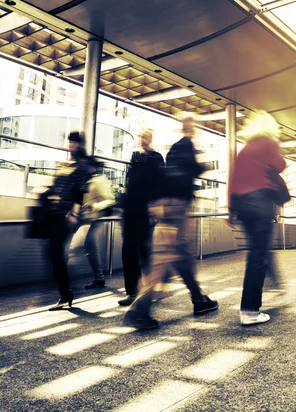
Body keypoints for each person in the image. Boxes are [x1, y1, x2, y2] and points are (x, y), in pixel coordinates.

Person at [124, 116, 218, 330]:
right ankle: (139, 309)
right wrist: (205, 165)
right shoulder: (186, 146)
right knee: (164, 255)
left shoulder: (173, 150)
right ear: (190, 128)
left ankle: (199, 299)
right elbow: (192, 169)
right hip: (177, 206)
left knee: (180, 253)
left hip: (165, 203)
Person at [228, 110, 287, 326]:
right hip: (259, 201)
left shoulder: (245, 149)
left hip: (242, 205)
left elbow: (233, 178)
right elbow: (280, 165)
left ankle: (249, 308)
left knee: (255, 254)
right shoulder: (268, 142)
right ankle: (250, 310)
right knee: (258, 257)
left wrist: (231, 210)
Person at [44, 131, 89, 310]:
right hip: (55, 213)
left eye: (75, 143)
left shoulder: (82, 165)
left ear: (80, 144)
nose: (71, 145)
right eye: (70, 142)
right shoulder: (65, 163)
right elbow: (55, 187)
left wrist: (75, 213)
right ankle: (66, 292)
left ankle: (66, 293)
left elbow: (80, 190)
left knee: (54, 250)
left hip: (67, 214)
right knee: (53, 252)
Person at [119, 129, 164, 306]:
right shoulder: (135, 157)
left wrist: (157, 205)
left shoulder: (156, 158)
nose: (142, 139)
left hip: (147, 208)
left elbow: (160, 183)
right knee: (128, 250)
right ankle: (131, 291)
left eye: (145, 137)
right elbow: (129, 183)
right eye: (140, 137)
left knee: (144, 249)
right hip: (131, 208)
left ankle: (148, 288)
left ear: (150, 139)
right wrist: (123, 209)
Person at [71, 157, 115, 289]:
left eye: (89, 166)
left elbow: (110, 200)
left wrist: (94, 206)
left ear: (94, 168)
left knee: (78, 247)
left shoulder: (99, 181)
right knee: (90, 248)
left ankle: (93, 278)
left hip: (94, 219)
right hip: (83, 220)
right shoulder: (86, 181)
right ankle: (99, 278)